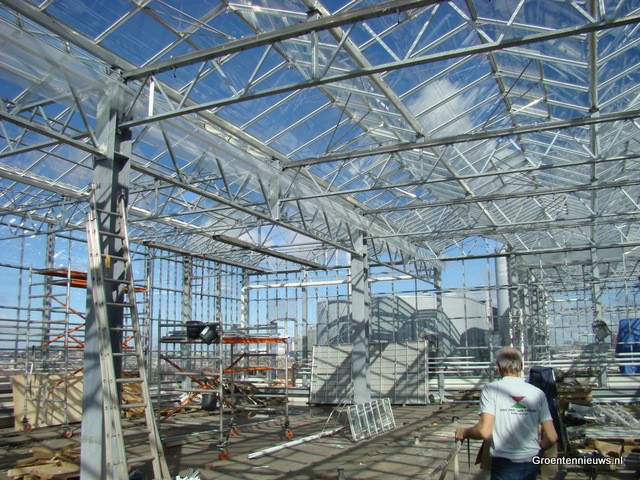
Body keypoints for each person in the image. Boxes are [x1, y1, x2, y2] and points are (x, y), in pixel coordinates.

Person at [455, 347, 558, 480]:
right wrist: (539, 450)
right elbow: (552, 436)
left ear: (498, 367)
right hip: (531, 462)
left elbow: (484, 431)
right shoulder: (538, 393)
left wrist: (464, 432)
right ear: (521, 366)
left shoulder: (491, 390)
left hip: (504, 463)